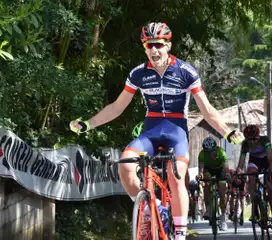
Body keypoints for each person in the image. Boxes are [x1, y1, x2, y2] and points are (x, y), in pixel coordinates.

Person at [69, 22, 244, 240]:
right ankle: (153, 208)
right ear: (144, 48)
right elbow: (117, 107)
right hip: (150, 130)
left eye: (158, 45)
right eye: (149, 45)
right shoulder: (138, 74)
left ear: (168, 46)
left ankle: (179, 234)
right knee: (125, 166)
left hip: (177, 130)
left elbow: (207, 110)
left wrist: (227, 132)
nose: (154, 50)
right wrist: (88, 124)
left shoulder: (186, 72)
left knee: (175, 174)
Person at [235, 124, 272, 232]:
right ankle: (255, 206)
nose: (252, 142)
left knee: (271, 186)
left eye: (254, 139)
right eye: (249, 139)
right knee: (251, 177)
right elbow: (241, 163)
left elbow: (270, 159)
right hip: (255, 162)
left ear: (258, 137)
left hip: (268, 161)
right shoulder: (245, 144)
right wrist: (239, 172)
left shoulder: (264, 140)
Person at [196, 137, 231, 230]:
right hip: (208, 169)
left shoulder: (222, 152)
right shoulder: (202, 154)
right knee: (206, 180)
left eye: (212, 151)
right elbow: (201, 170)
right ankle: (208, 208)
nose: (211, 153)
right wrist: (200, 175)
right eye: (208, 151)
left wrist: (227, 174)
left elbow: (226, 168)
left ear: (216, 148)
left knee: (222, 192)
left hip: (220, 170)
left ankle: (223, 219)